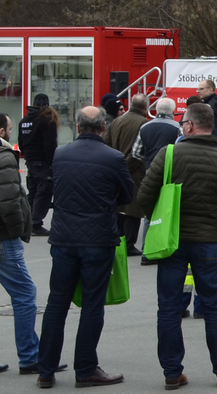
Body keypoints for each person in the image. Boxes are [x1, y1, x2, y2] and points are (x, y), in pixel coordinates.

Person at [136, 102, 217, 388]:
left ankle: (172, 373)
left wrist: (159, 218)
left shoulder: (169, 154)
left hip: (172, 242)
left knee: (169, 308)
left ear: (190, 126)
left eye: (183, 122)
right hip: (208, 242)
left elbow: (145, 195)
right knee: (214, 307)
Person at [35, 107, 134, 387]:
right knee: (92, 305)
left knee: (57, 303)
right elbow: (128, 194)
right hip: (98, 239)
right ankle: (86, 368)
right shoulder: (114, 158)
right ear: (103, 127)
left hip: (64, 237)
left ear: (77, 127)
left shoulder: (61, 154)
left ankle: (46, 370)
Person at [0, 112, 52, 377]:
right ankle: (30, 357)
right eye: (9, 128)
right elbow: (9, 199)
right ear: (1, 131)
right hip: (3, 238)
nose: (12, 133)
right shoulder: (4, 155)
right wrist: (17, 230)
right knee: (24, 295)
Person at [104, 94, 147, 257]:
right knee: (133, 208)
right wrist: (124, 167)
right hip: (134, 171)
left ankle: (119, 239)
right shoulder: (143, 123)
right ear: (145, 108)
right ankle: (129, 243)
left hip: (115, 168)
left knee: (119, 206)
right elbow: (138, 153)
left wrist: (114, 166)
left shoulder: (117, 121)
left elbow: (106, 143)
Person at [19, 94, 59, 236]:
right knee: (44, 191)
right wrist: (51, 162)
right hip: (43, 161)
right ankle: (35, 223)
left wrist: (28, 157)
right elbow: (50, 144)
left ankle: (27, 221)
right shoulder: (47, 120)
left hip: (30, 161)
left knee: (34, 191)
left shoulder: (24, 120)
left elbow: (21, 143)